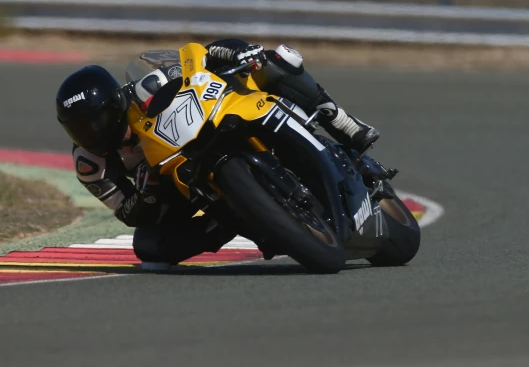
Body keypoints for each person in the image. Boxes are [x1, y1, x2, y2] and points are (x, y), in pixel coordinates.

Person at [55, 39, 380, 270]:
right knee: (149, 248)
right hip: (172, 185)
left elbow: (195, 59)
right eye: (79, 129)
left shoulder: (141, 88)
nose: (90, 134)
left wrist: (232, 51)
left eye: (95, 122)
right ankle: (233, 220)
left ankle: (343, 122)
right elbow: (128, 214)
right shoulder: (90, 163)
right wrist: (149, 189)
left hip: (209, 123)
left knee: (276, 61)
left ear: (114, 106)